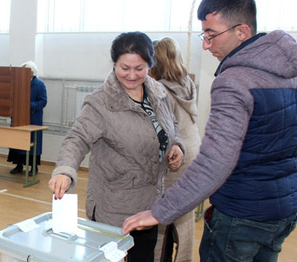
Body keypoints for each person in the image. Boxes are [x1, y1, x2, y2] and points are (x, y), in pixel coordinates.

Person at [122, 1, 297, 261]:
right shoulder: (289, 72)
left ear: (242, 31)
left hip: (242, 214)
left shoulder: (234, 81)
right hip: (283, 210)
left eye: (211, 35)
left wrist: (158, 212)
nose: (206, 44)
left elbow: (215, 163)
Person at [49, 32, 185, 262]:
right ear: (114, 65)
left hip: (149, 204)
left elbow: (173, 125)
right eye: (125, 68)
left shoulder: (159, 93)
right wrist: (64, 170)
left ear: (150, 65)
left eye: (139, 68)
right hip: (113, 207)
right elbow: (77, 138)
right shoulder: (100, 102)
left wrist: (177, 146)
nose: (132, 75)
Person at [149, 37, 201, 262]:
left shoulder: (159, 90)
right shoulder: (186, 83)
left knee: (161, 216)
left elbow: (161, 134)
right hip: (193, 150)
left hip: (175, 157)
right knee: (183, 213)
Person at [8, 61, 48, 175]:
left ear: (31, 72)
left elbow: (43, 101)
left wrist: (29, 105)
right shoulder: (18, 83)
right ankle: (18, 165)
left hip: (33, 118)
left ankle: (33, 167)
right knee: (17, 141)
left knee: (32, 143)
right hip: (18, 117)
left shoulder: (39, 84)